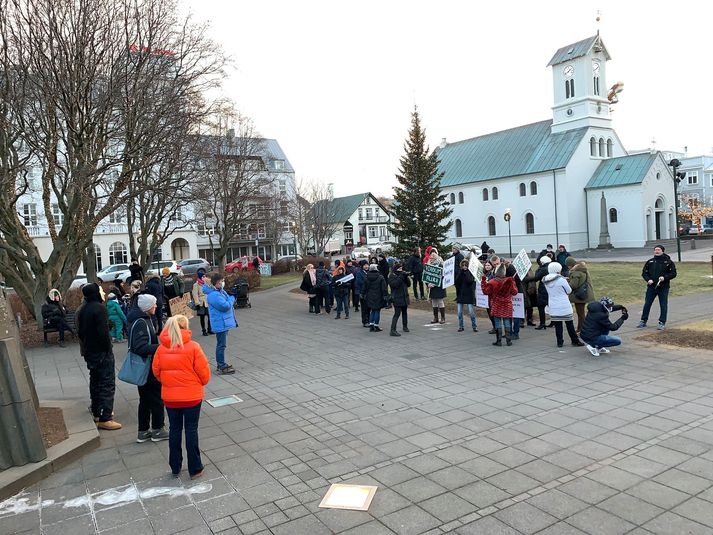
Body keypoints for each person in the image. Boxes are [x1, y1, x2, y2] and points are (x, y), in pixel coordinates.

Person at [152, 315, 210, 479]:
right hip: (192, 396)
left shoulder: (161, 348)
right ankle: (195, 468)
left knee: (174, 429)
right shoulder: (193, 347)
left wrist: (168, 382)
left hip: (170, 398)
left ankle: (175, 466)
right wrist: (198, 382)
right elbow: (204, 373)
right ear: (185, 327)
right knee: (191, 430)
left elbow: (156, 371)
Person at [77, 283, 121, 430]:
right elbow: (103, 333)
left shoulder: (83, 309)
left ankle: (97, 412)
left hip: (90, 351)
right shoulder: (100, 308)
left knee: (95, 381)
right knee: (107, 383)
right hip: (101, 352)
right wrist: (108, 348)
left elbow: (81, 332)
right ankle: (105, 417)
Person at [126, 294, 169, 443]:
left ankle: (143, 431)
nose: (156, 307)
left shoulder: (140, 319)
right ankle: (157, 429)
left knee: (145, 400)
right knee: (156, 398)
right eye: (154, 305)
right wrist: (161, 347)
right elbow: (140, 347)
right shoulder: (141, 322)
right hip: (148, 368)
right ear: (147, 307)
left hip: (145, 367)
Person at [543, 262, 585, 348]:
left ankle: (560, 342)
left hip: (553, 304)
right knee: (569, 324)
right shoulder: (561, 279)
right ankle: (575, 340)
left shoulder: (545, 280)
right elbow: (569, 290)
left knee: (558, 325)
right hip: (563, 304)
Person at [637, 245, 677, 330]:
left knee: (663, 305)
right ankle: (643, 321)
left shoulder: (668, 262)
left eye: (658, 250)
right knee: (647, 304)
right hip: (651, 287)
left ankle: (662, 322)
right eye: (655, 250)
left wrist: (664, 278)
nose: (657, 251)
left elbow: (673, 273)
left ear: (662, 251)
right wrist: (648, 280)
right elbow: (644, 273)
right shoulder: (650, 261)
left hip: (663, 287)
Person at [203, 273, 236, 374]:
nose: (223, 283)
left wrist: (229, 296)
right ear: (216, 283)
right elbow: (225, 306)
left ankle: (221, 364)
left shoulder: (219, 292)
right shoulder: (214, 295)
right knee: (221, 345)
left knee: (221, 345)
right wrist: (232, 298)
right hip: (220, 323)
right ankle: (221, 365)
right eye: (221, 281)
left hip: (223, 322)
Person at [481, 264, 517, 346]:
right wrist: (513, 282)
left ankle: (499, 340)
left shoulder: (492, 282)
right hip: (507, 304)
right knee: (507, 321)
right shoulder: (510, 281)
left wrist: (483, 281)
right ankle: (508, 340)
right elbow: (515, 292)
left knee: (497, 322)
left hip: (496, 304)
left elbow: (485, 292)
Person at [565, 257, 595, 333]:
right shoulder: (582, 270)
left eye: (568, 265)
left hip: (579, 296)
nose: (567, 267)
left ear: (570, 265)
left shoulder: (576, 272)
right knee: (581, 313)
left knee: (580, 314)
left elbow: (573, 285)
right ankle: (580, 328)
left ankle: (581, 329)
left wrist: (566, 282)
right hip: (584, 293)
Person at [362, 264, 388, 332]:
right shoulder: (380, 277)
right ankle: (376, 326)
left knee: (372, 310)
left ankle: (371, 325)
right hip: (378, 295)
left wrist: (362, 294)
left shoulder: (366, 277)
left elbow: (364, 287)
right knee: (377, 311)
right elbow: (384, 288)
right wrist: (385, 295)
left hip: (369, 296)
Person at [388, 263, 410, 336]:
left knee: (405, 312)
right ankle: (392, 330)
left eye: (401, 268)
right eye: (399, 269)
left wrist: (406, 277)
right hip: (397, 298)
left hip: (404, 297)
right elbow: (395, 284)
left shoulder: (402, 275)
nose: (401, 270)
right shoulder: (392, 276)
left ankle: (405, 326)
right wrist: (401, 276)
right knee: (397, 314)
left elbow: (409, 284)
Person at [455, 260, 477, 332]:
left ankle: (474, 326)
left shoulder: (470, 272)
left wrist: (466, 272)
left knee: (471, 312)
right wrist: (461, 273)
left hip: (469, 294)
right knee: (459, 312)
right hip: (461, 294)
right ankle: (461, 326)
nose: (464, 267)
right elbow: (457, 281)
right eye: (463, 265)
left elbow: (470, 281)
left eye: (466, 265)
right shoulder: (460, 272)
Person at [427, 249, 447, 324]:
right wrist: (428, 284)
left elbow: (443, 276)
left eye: (433, 255)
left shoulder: (441, 264)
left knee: (440, 301)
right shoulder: (428, 265)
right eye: (431, 255)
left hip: (439, 286)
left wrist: (435, 283)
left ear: (436, 255)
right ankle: (435, 318)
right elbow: (426, 276)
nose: (432, 256)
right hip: (431, 286)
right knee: (434, 302)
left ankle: (443, 318)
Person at [505, 263, 525, 339]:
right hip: (514, 294)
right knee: (511, 315)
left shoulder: (514, 278)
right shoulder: (514, 275)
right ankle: (511, 332)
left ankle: (515, 333)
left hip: (516, 294)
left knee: (515, 315)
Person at [532, 256, 551, 330]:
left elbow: (536, 277)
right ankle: (553, 322)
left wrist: (538, 269)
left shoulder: (543, 269)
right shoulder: (551, 267)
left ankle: (542, 323)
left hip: (543, 290)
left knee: (541, 307)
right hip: (550, 289)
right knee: (551, 306)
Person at [192, 270, 213, 336]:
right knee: (202, 317)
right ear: (200, 277)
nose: (204, 277)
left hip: (208, 301)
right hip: (201, 303)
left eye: (205, 276)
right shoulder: (196, 285)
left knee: (210, 316)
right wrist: (197, 303)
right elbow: (195, 294)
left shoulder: (206, 283)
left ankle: (209, 329)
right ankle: (204, 330)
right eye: (203, 276)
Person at [355, 260, 370, 327]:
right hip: (362, 293)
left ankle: (369, 320)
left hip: (370, 292)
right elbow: (359, 282)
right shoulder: (359, 273)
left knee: (369, 307)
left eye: (367, 265)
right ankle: (365, 321)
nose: (366, 266)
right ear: (362, 266)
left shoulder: (369, 272)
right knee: (364, 308)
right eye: (365, 265)